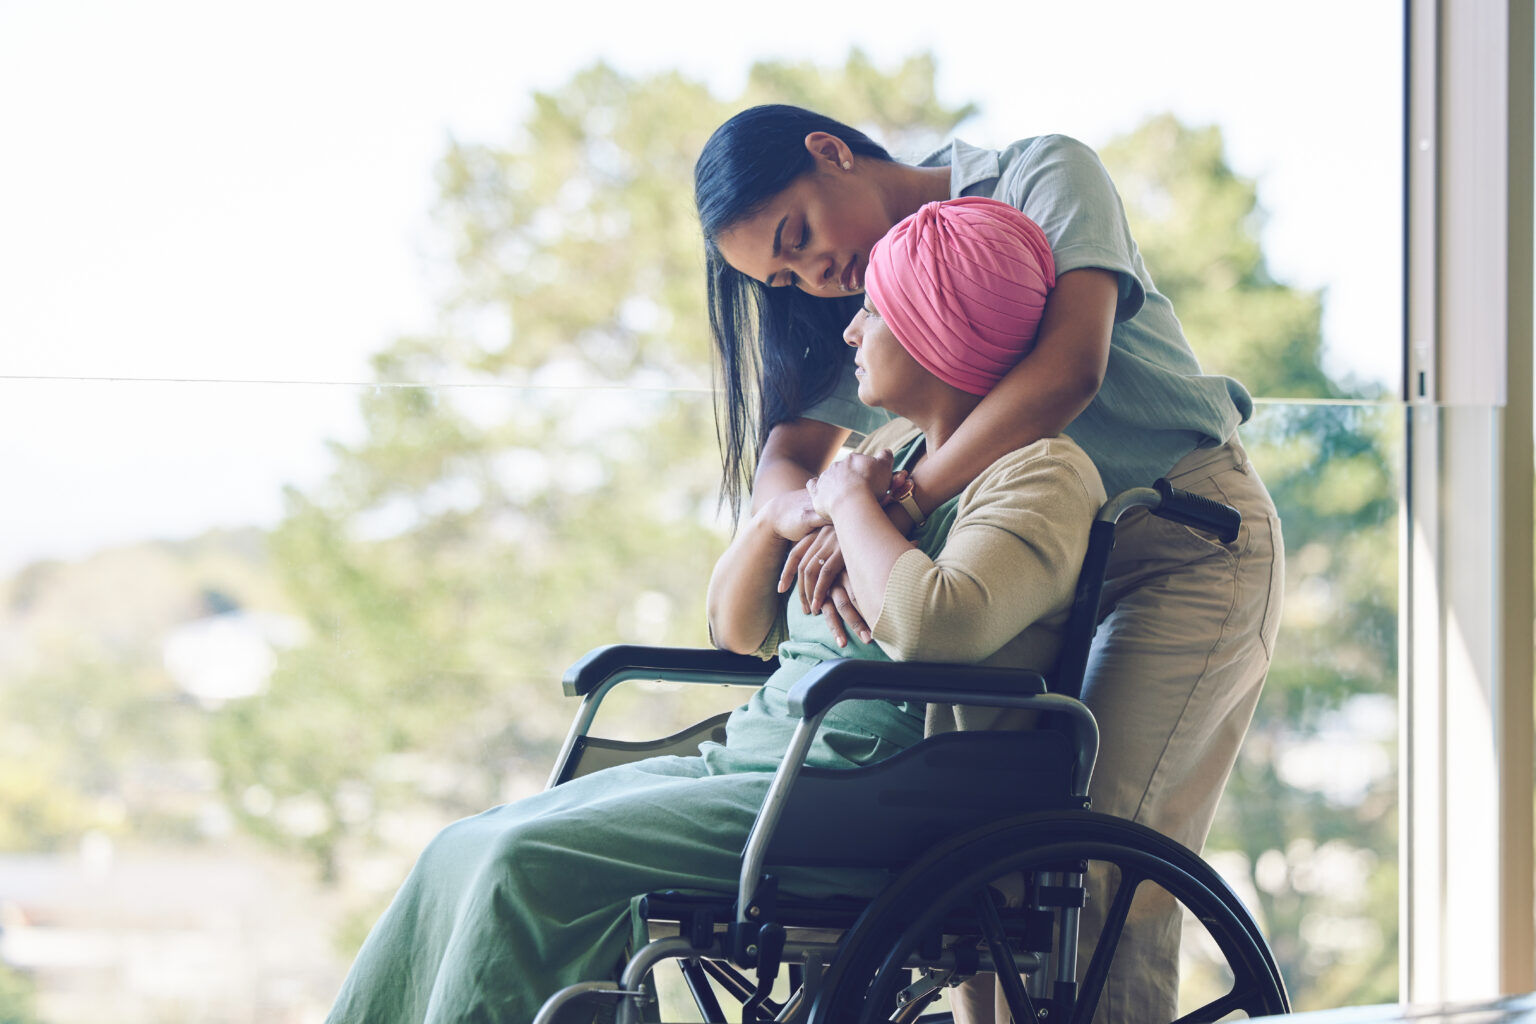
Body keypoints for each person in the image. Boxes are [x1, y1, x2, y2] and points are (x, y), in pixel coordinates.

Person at [324, 196, 1106, 1024]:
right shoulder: (882, 463)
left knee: (526, 859)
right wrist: (782, 515)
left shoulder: (1040, 476)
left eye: (871, 311)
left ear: (933, 328)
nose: (848, 332)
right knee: (466, 843)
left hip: (861, 797)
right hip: (755, 768)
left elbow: (938, 625)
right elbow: (739, 629)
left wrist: (851, 509)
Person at [695, 103, 1284, 1022]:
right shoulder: (875, 296)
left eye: (801, 236)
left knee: (1098, 873)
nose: (818, 279)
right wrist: (801, 508)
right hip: (1020, 572)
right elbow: (788, 452)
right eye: (788, 275)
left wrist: (904, 494)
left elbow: (1067, 373)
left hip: (1176, 543)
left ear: (831, 151)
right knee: (980, 871)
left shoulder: (1039, 174)